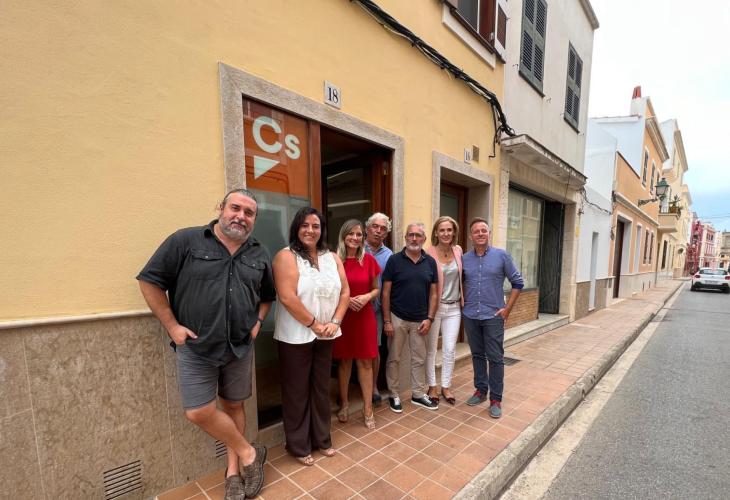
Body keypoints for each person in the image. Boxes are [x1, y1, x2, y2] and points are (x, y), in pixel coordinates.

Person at [137, 188, 272, 500]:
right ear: (221, 208)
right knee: (198, 411)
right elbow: (149, 281)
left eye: (249, 212)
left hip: (239, 346)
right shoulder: (186, 241)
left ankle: (233, 473)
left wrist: (258, 322)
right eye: (235, 208)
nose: (240, 216)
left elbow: (267, 296)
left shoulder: (259, 253)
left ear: (254, 219)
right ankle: (250, 453)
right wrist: (172, 327)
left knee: (234, 405)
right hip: (197, 347)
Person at [272, 207, 350, 466]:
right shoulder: (286, 256)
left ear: (322, 230)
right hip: (295, 336)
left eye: (315, 226)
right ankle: (298, 445)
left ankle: (322, 439)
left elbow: (345, 292)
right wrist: (315, 324)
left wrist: (335, 321)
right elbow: (287, 297)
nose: (310, 230)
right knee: (297, 391)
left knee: (320, 388)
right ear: (296, 228)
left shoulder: (332, 257)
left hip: (327, 333)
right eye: (305, 225)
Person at [462, 218, 524, 419]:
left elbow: (518, 282)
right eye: (476, 231)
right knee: (477, 355)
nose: (480, 233)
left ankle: (495, 399)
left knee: (495, 358)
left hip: (493, 316)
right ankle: (481, 390)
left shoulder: (501, 256)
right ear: (471, 236)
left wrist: (507, 310)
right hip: (471, 314)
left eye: (484, 230)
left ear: (489, 233)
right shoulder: (464, 259)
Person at [382, 222, 439, 412]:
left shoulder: (430, 262)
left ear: (424, 239)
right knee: (394, 358)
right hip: (397, 317)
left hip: (421, 320)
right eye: (410, 235)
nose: (414, 239)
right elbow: (385, 293)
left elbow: (434, 294)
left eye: (418, 235)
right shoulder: (394, 260)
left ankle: (417, 394)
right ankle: (394, 394)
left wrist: (430, 318)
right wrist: (387, 321)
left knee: (419, 359)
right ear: (405, 237)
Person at [332, 219, 381, 429]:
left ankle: (368, 409)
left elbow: (376, 288)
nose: (355, 238)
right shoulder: (334, 260)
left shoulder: (368, 260)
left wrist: (366, 297)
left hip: (364, 316)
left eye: (359, 234)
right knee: (344, 362)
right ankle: (344, 404)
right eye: (351, 234)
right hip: (343, 316)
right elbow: (328, 290)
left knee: (366, 363)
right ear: (343, 236)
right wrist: (345, 299)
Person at [424, 216, 464, 405]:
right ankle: (432, 385)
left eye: (449, 230)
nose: (446, 233)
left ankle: (446, 386)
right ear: (436, 233)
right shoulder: (428, 252)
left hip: (454, 307)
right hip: (435, 308)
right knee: (431, 349)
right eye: (442, 230)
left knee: (449, 349)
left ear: (454, 232)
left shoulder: (458, 250)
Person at [363, 212, 393, 405]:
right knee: (351, 350)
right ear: (367, 228)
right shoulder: (355, 247)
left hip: (376, 311)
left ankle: (373, 386)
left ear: (386, 233)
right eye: (375, 226)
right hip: (353, 308)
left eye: (383, 228)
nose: (378, 231)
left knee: (374, 349)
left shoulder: (389, 255)